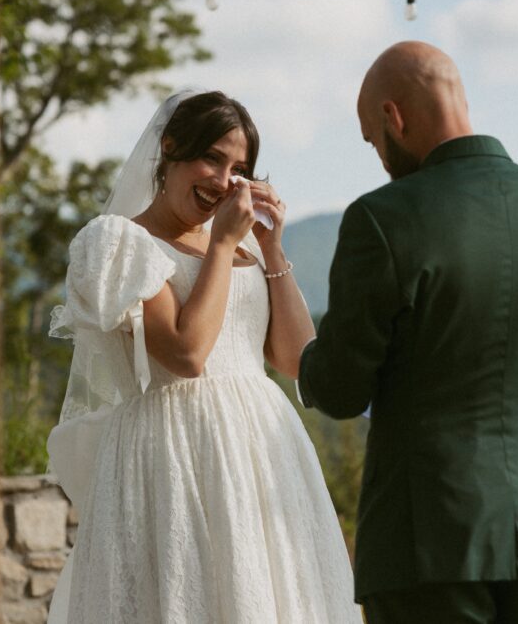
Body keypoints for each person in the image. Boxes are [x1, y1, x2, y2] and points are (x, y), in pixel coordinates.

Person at [297, 41, 518, 623]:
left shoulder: (382, 218)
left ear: (393, 116)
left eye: (373, 138)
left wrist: (303, 359)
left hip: (424, 541)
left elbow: (342, 390)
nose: (379, 154)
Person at [45, 89, 362, 623]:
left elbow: (293, 357)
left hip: (262, 452)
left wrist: (273, 247)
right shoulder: (120, 242)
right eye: (211, 158)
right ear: (169, 147)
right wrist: (220, 246)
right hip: (171, 450)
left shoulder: (248, 247)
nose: (221, 180)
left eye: (238, 168)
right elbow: (187, 353)